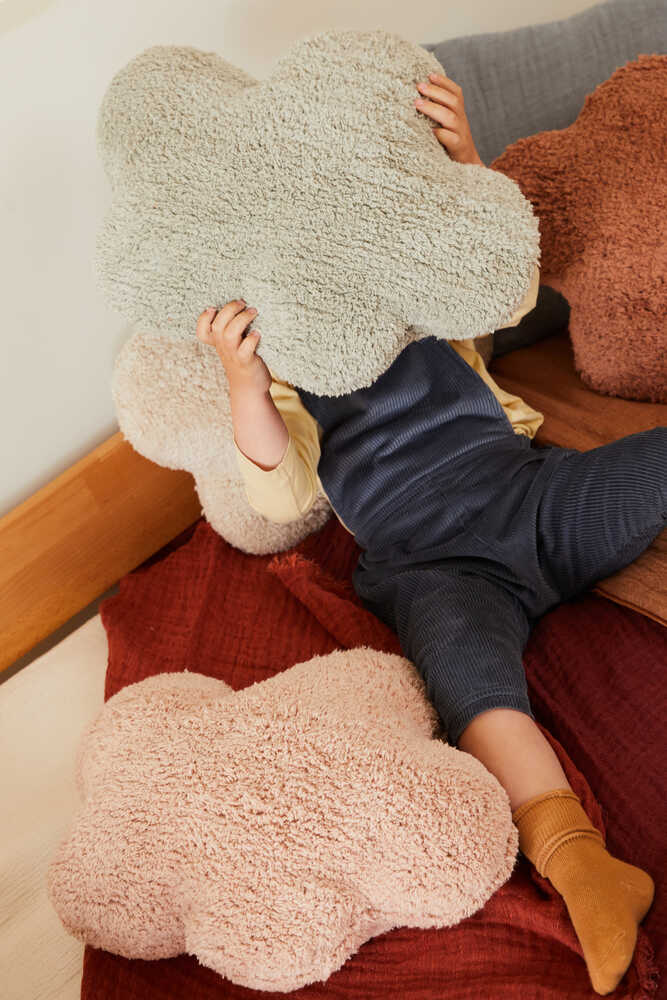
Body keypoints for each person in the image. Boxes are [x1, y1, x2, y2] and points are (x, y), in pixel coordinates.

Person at [195, 72, 663, 996]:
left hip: (526, 493)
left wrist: (464, 166)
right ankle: (576, 859)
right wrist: (244, 383)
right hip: (431, 562)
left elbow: (501, 297)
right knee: (467, 682)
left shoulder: (419, 293)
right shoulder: (286, 364)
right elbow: (279, 490)